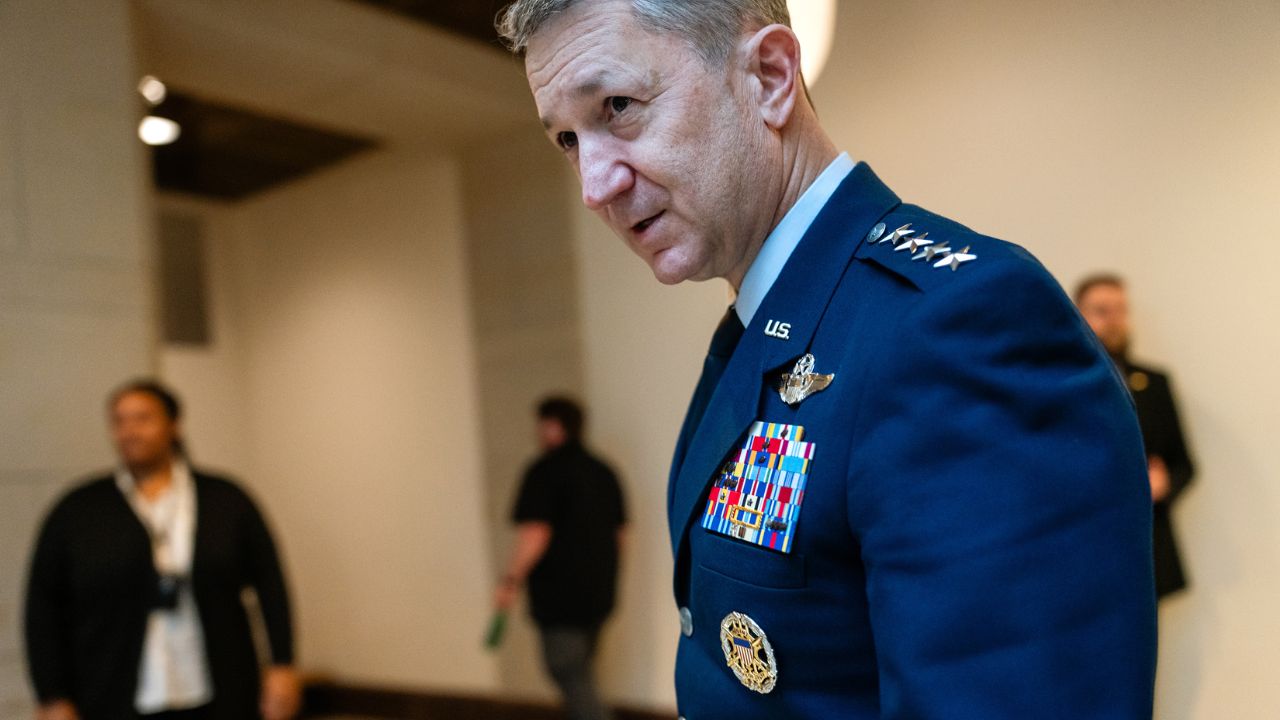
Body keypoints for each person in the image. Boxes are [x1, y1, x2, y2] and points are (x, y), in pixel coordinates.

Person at [496, 1, 1156, 718]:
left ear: (771, 76)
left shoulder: (954, 326)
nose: (594, 187)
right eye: (566, 139)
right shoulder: (769, 327)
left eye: (618, 106)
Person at [24, 380, 300, 720]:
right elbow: (43, 607)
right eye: (119, 421)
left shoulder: (226, 499)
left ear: (174, 425)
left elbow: (271, 584)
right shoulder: (78, 509)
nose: (130, 431)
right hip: (113, 693)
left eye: (142, 419)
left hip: (216, 688)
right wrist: (52, 694)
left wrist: (282, 664)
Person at [493, 397, 626, 720]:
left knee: (569, 673)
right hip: (599, 595)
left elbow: (535, 533)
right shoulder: (604, 472)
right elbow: (620, 536)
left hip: (560, 599)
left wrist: (510, 580)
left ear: (551, 426)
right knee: (580, 671)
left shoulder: (543, 471)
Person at [1076, 273, 1196, 599]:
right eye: (1102, 310)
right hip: (1082, 545)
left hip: (1146, 545)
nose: (1115, 320)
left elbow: (1184, 463)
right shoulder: (1059, 386)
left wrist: (1165, 483)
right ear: (1078, 314)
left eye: (1121, 310)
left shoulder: (1154, 384)